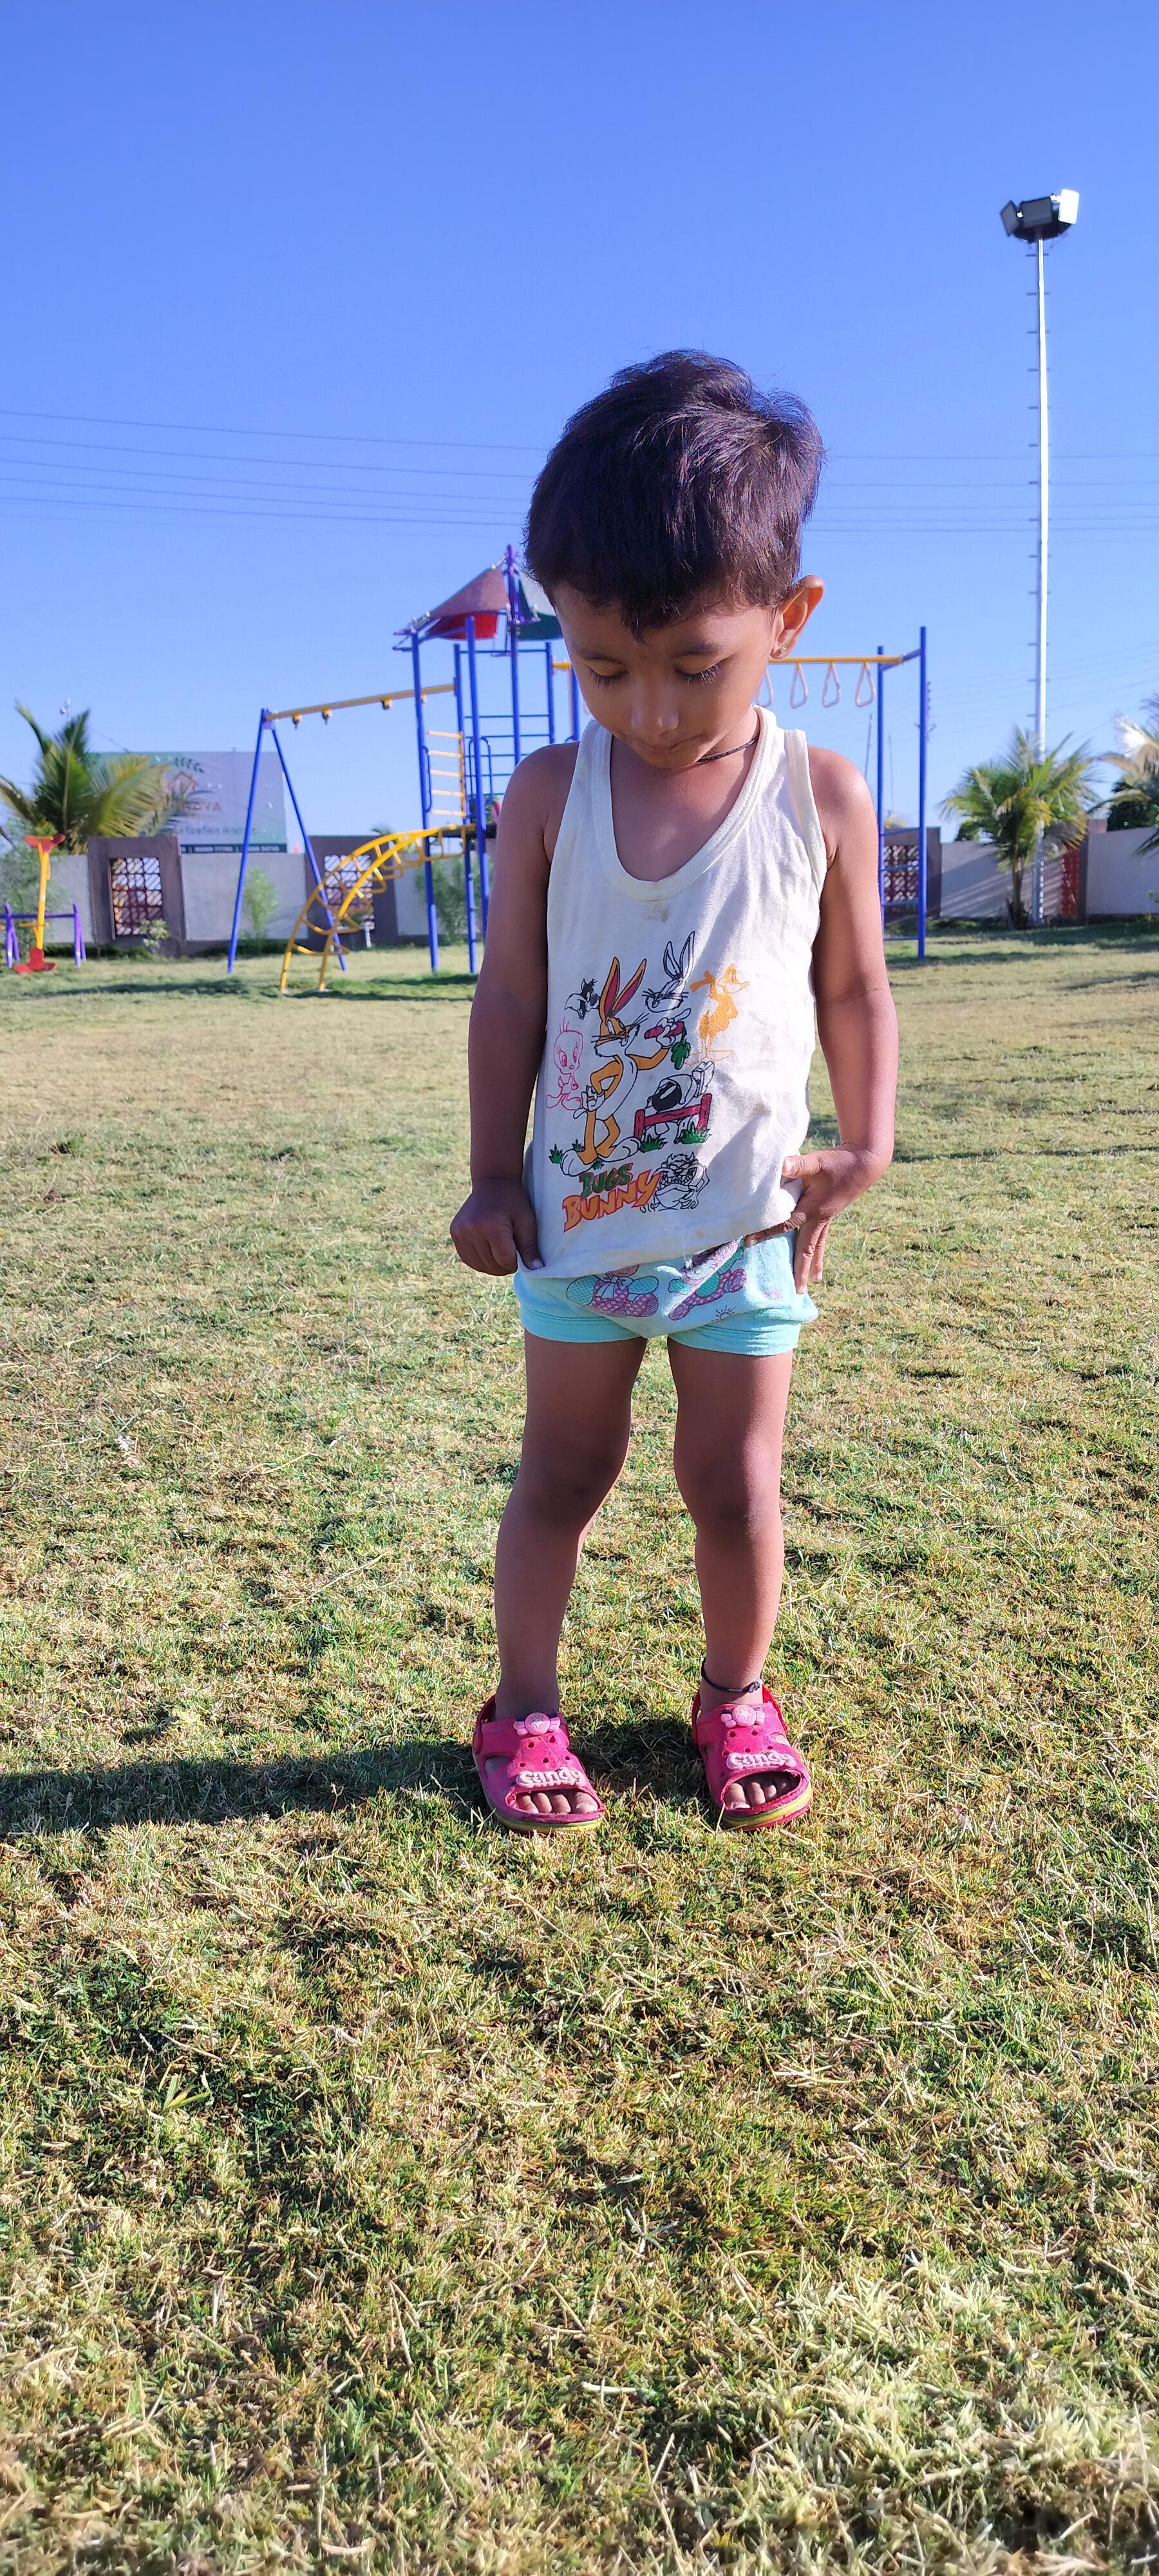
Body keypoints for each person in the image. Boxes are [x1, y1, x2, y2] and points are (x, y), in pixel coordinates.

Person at [450, 352, 898, 1833]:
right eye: (603, 668)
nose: (648, 708)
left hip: (746, 1225)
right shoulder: (548, 797)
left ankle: (736, 1693)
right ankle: (522, 1708)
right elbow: (511, 996)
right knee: (563, 1470)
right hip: (578, 1226)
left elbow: (853, 990)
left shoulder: (821, 795)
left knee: (735, 1482)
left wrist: (867, 1141)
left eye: (694, 664)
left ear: (789, 617)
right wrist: (493, 1168)